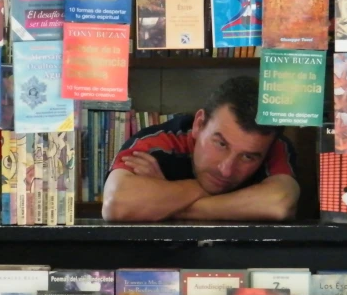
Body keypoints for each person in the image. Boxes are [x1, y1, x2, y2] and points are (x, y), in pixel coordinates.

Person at [102, 76, 299, 222]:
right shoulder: (158, 142)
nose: (226, 169)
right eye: (221, 144)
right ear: (199, 124)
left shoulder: (273, 146)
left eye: (248, 157)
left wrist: (167, 201)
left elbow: (279, 203)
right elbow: (116, 204)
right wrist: (202, 190)